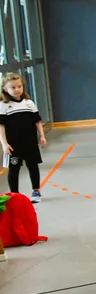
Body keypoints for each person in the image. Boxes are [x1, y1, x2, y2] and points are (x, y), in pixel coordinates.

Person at [0, 73, 47, 203]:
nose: (17, 89)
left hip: (30, 144)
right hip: (14, 147)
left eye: (19, 86)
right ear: (5, 89)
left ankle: (36, 191)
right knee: (14, 169)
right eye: (13, 87)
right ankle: (14, 194)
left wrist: (42, 136)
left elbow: (37, 121)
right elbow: (1, 126)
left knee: (33, 166)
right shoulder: (4, 105)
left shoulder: (29, 103)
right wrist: (4, 144)